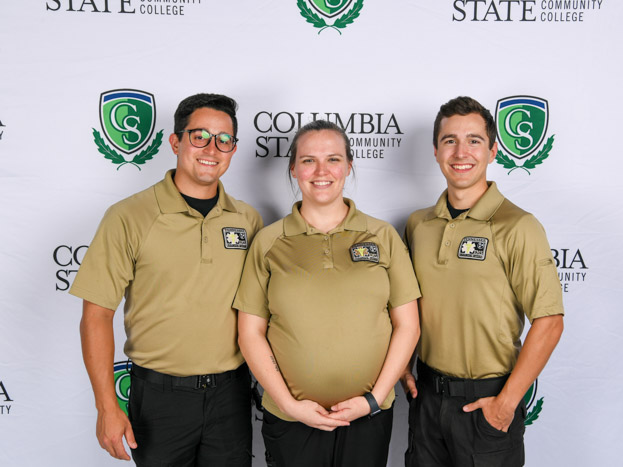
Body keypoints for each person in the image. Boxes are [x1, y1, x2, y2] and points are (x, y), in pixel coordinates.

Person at [70, 93, 262, 466]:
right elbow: (96, 315)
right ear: (175, 142)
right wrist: (107, 407)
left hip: (230, 394)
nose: (212, 148)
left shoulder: (247, 219)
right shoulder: (128, 216)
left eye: (224, 140)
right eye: (199, 136)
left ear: (233, 150)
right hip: (159, 399)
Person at [234, 119, 420, 467]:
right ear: (293, 168)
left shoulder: (382, 237)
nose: (321, 171)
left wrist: (375, 399)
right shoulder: (268, 242)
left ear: (349, 165)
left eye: (333, 159)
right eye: (308, 160)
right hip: (291, 420)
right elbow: (250, 333)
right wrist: (289, 405)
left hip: (367, 417)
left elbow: (408, 326)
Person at [401, 96, 564, 467]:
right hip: (426, 399)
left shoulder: (518, 226)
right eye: (450, 140)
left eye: (474, 140)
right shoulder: (419, 224)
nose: (461, 152)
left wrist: (506, 404)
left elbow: (550, 321)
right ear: (436, 150)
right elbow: (405, 308)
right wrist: (401, 368)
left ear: (492, 151)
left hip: (486, 404)